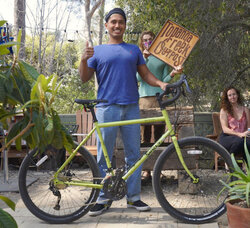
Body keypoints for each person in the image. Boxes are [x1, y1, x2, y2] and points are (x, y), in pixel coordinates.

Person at [79, 8, 168, 216]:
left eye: (121, 22)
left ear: (125, 26)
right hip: (105, 108)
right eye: (113, 22)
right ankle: (103, 198)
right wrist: (83, 59)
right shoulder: (98, 51)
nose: (117, 25)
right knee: (104, 156)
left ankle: (133, 198)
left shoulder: (133, 51)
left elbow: (146, 75)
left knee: (134, 155)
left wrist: (162, 83)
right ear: (107, 25)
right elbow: (84, 78)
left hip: (131, 108)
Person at [136, 31, 183, 182]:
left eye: (150, 39)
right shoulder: (139, 57)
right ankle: (145, 171)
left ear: (155, 41)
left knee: (159, 135)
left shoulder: (161, 58)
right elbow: (137, 77)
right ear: (141, 42)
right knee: (144, 136)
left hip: (159, 98)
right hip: (143, 99)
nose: (148, 42)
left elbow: (163, 80)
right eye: (145, 40)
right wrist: (144, 58)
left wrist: (173, 73)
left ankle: (157, 169)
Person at [219, 86, 250, 160]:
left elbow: (249, 127)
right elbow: (225, 129)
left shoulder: (245, 110)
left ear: (238, 95)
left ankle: (246, 165)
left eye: (234, 94)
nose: (232, 97)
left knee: (248, 143)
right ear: (227, 98)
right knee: (239, 141)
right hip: (227, 137)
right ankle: (228, 161)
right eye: (230, 95)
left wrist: (247, 132)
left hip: (243, 137)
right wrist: (239, 134)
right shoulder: (224, 110)